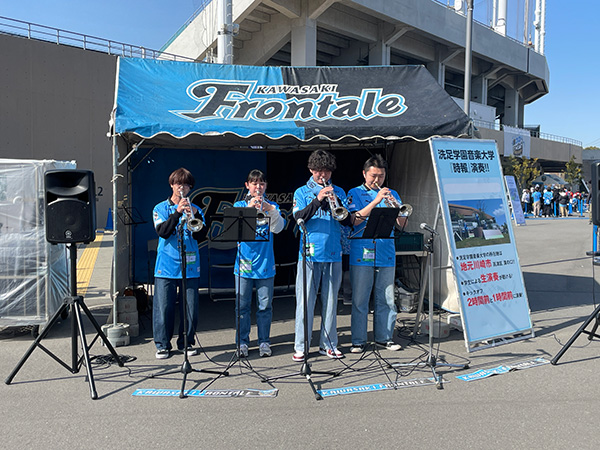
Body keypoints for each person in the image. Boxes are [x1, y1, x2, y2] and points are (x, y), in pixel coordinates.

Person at [292, 149, 353, 362]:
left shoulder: (339, 191)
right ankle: (301, 345)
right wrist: (318, 199)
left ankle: (328, 344)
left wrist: (336, 202)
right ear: (311, 170)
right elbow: (298, 217)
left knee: (331, 302)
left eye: (326, 171)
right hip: (309, 253)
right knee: (305, 302)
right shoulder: (301, 192)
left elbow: (347, 221)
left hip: (333, 251)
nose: (323, 175)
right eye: (318, 171)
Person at [347, 155, 404, 353]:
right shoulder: (354, 193)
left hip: (386, 252)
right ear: (364, 174)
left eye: (381, 176)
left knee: (387, 299)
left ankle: (384, 338)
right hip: (362, 252)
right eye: (373, 176)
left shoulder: (392, 193)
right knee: (360, 299)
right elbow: (354, 220)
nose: (377, 180)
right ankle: (358, 340)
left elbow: (401, 224)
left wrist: (396, 207)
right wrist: (377, 200)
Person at [152, 167, 205, 359]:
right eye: (178, 183)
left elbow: (201, 235)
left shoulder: (196, 209)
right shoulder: (160, 208)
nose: (181, 187)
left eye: (186, 184)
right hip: (166, 265)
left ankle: (186, 343)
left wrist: (194, 216)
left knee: (190, 308)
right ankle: (162, 344)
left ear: (190, 188)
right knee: (164, 308)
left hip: (190, 265)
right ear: (172, 185)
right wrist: (177, 212)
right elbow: (163, 232)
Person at [232, 169, 285, 358]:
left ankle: (264, 341)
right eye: (254, 183)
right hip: (244, 264)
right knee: (242, 307)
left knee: (265, 307)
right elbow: (235, 232)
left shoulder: (272, 206)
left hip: (265, 264)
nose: (258, 187)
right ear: (247, 185)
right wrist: (249, 209)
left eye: (261, 183)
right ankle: (242, 342)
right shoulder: (239, 205)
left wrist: (270, 209)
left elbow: (278, 229)